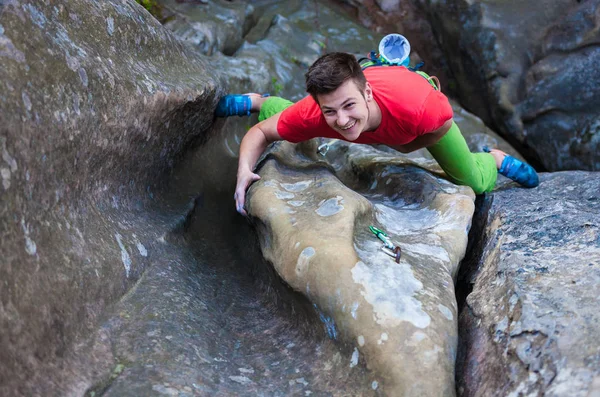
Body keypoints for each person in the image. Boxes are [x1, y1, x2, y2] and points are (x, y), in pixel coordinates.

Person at [215, 52, 539, 216]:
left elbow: (441, 125)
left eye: (348, 106)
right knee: (291, 124)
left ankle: (493, 160)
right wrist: (244, 171)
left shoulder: (420, 107)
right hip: (363, 110)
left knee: (474, 182)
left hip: (412, 120)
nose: (341, 121)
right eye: (330, 110)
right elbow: (260, 133)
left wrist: (411, 145)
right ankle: (260, 100)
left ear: (367, 93)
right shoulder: (322, 112)